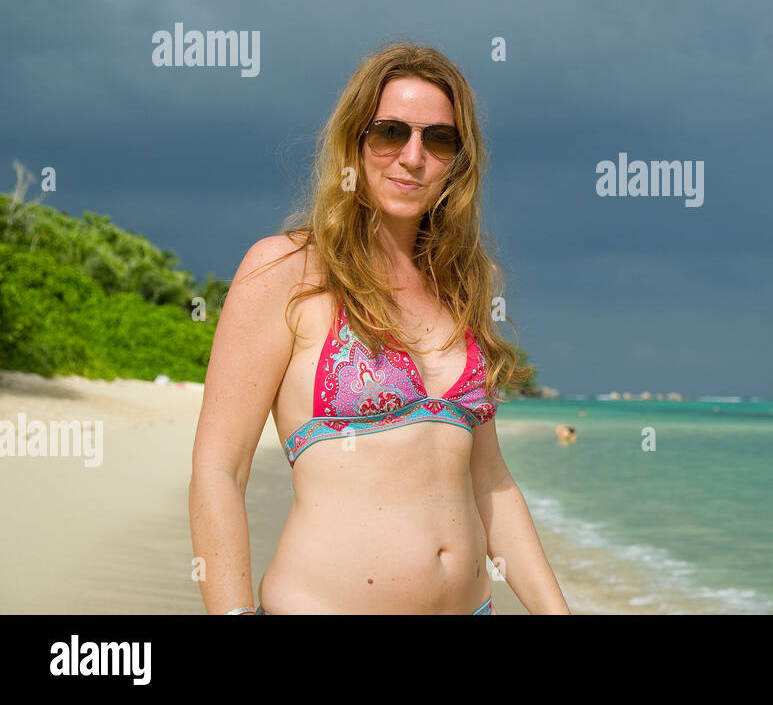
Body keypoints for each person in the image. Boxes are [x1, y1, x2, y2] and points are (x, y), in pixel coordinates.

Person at [188, 42, 570, 614]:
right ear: (355, 141)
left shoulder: (459, 291)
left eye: (438, 139)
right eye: (390, 132)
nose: (412, 156)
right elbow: (220, 469)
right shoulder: (285, 271)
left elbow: (491, 484)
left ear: (458, 161)